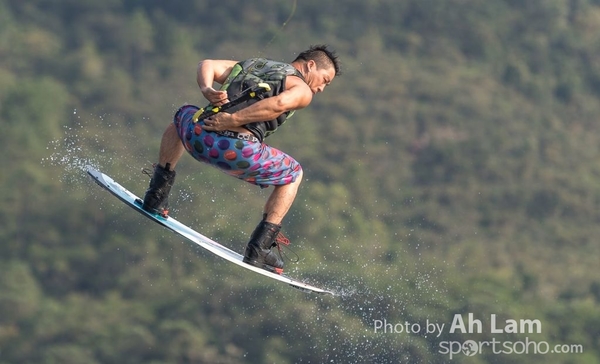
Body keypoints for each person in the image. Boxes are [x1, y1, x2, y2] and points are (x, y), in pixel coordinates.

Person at [142, 45, 341, 274]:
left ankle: (156, 195)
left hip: (198, 136)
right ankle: (259, 248)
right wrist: (233, 120)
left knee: (183, 114)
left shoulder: (253, 65)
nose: (322, 88)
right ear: (310, 65)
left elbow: (207, 64)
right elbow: (278, 104)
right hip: (236, 151)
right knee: (294, 173)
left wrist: (207, 89)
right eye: (325, 80)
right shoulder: (301, 89)